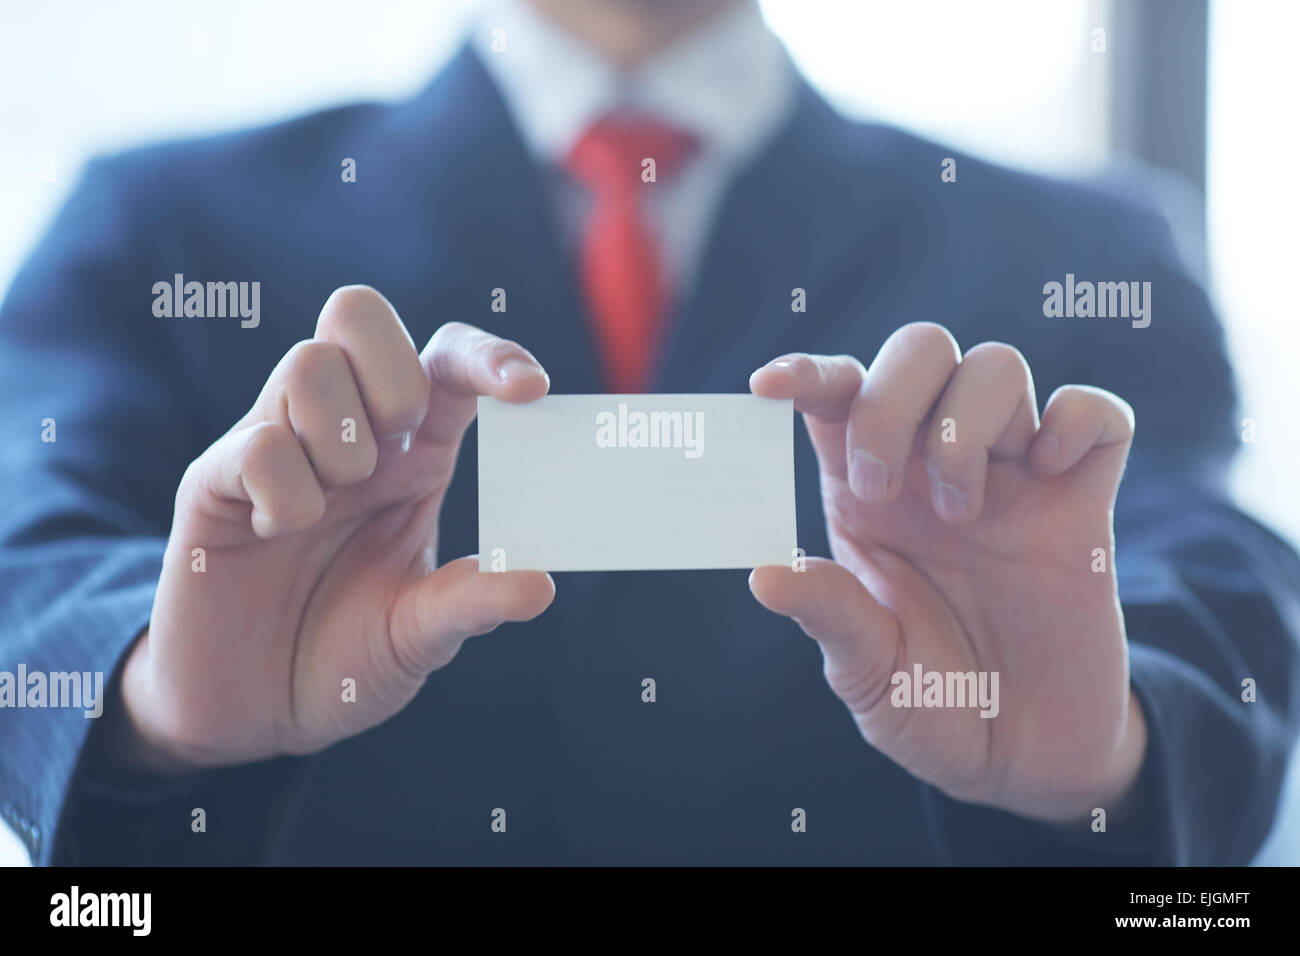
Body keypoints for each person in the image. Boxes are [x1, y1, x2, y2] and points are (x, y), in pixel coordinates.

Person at [0, 0, 1296, 866]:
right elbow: (23, 554)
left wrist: (1113, 743)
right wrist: (152, 695)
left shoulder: (1088, 248)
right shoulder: (154, 222)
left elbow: (1222, 583)